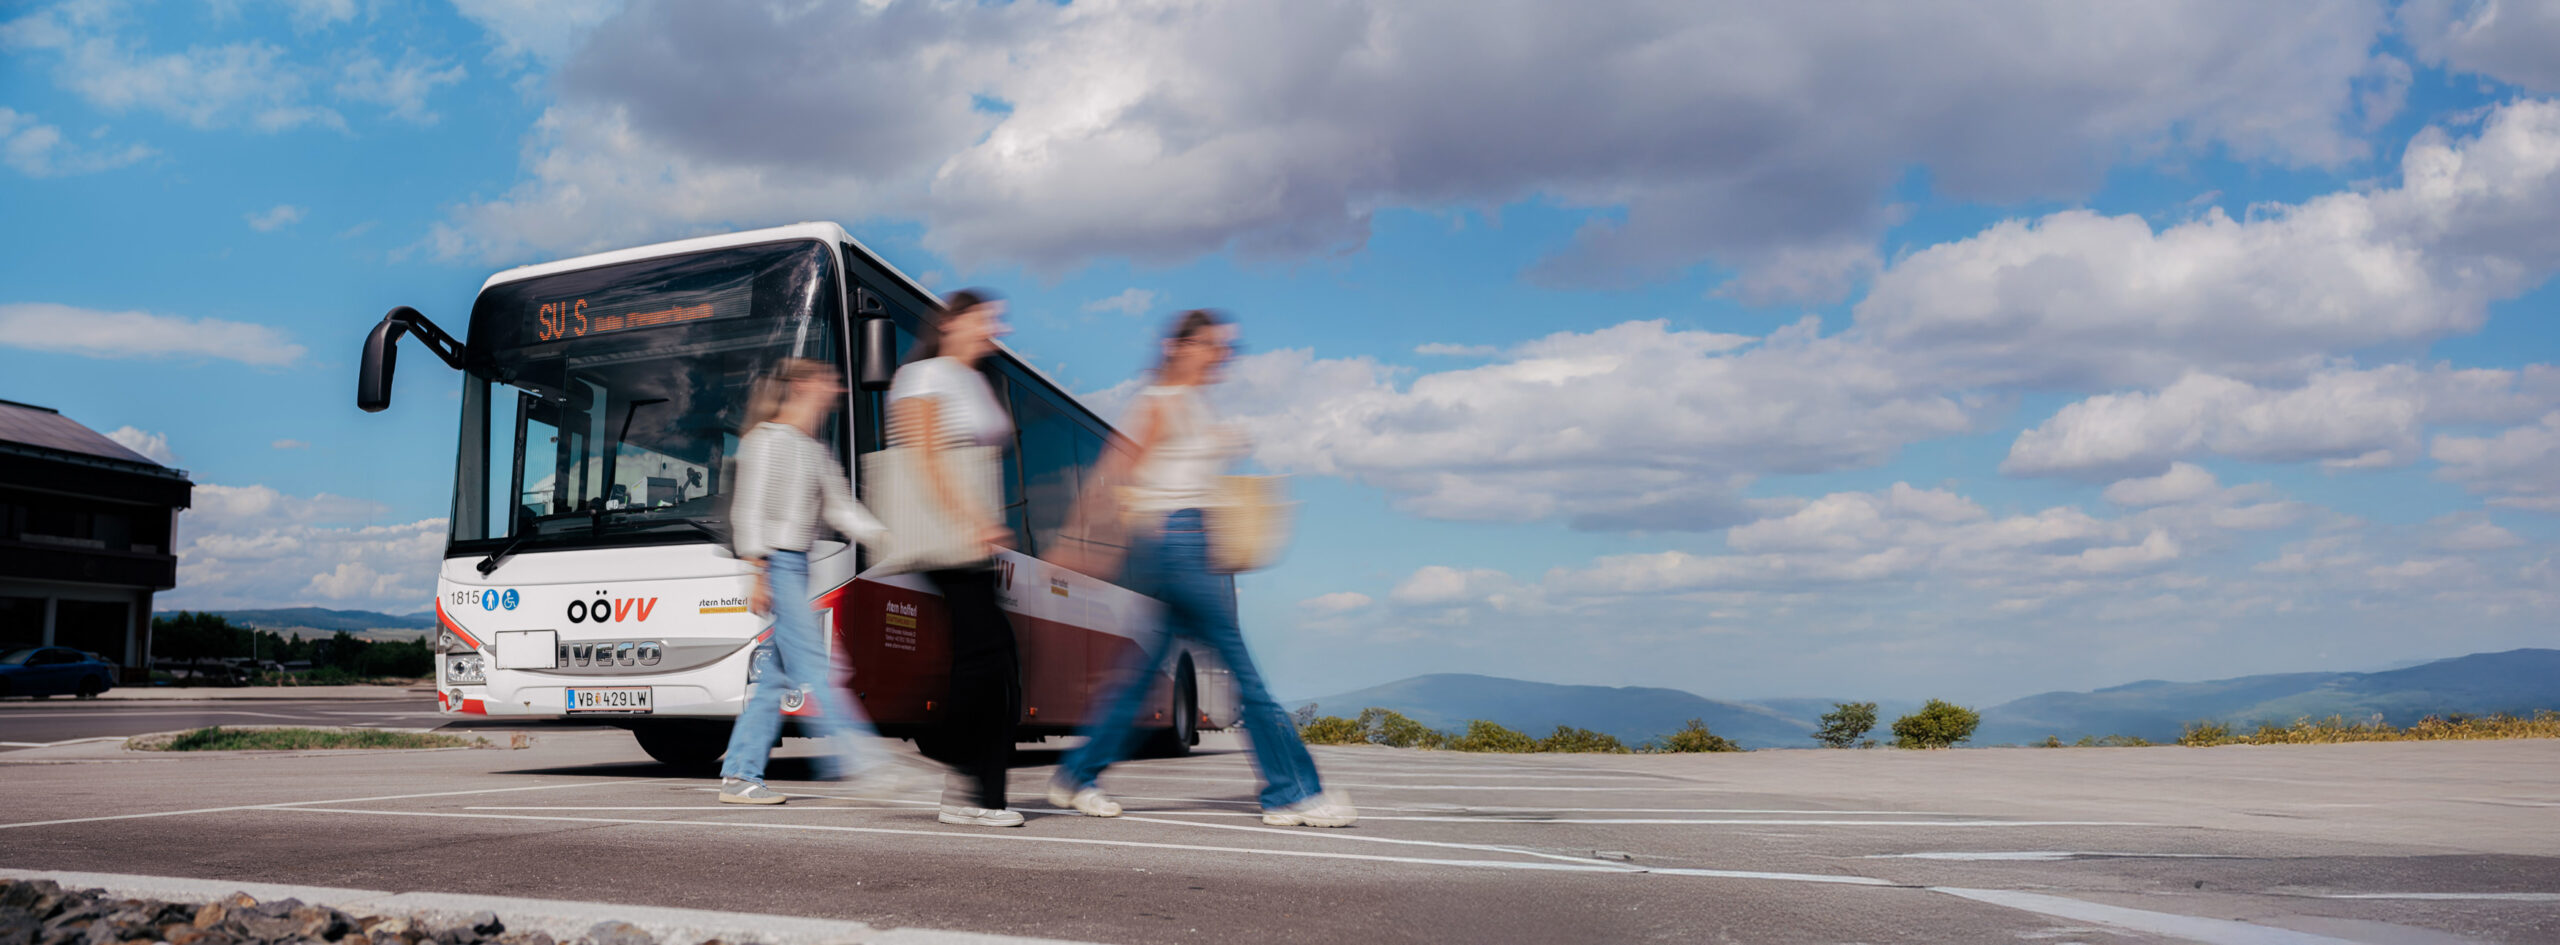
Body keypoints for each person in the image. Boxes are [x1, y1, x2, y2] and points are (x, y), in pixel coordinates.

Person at [1050, 310, 1357, 828]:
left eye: (1227, 349)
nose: (1223, 357)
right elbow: (1113, 471)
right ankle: (1292, 791)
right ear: (1180, 346)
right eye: (1214, 346)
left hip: (1190, 545)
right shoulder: (1159, 403)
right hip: (1177, 544)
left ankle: (1078, 774)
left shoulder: (1192, 405)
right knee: (1244, 672)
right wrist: (1076, 541)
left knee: (1141, 676)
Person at [720, 357, 896, 804]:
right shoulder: (764, 441)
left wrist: (885, 537)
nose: (835, 392)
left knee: (776, 681)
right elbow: (748, 510)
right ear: (801, 387)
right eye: (828, 384)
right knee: (819, 666)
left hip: (797, 566)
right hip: (775, 564)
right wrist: (757, 573)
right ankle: (866, 762)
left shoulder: (815, 449)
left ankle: (740, 774)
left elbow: (840, 508)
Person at [889, 288, 1026, 828]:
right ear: (953, 324)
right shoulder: (926, 377)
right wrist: (971, 519)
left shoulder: (973, 379)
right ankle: (962, 770)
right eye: (985, 320)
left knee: (990, 660)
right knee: (992, 657)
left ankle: (970, 789)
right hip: (948, 530)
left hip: (972, 536)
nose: (996, 331)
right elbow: (923, 457)